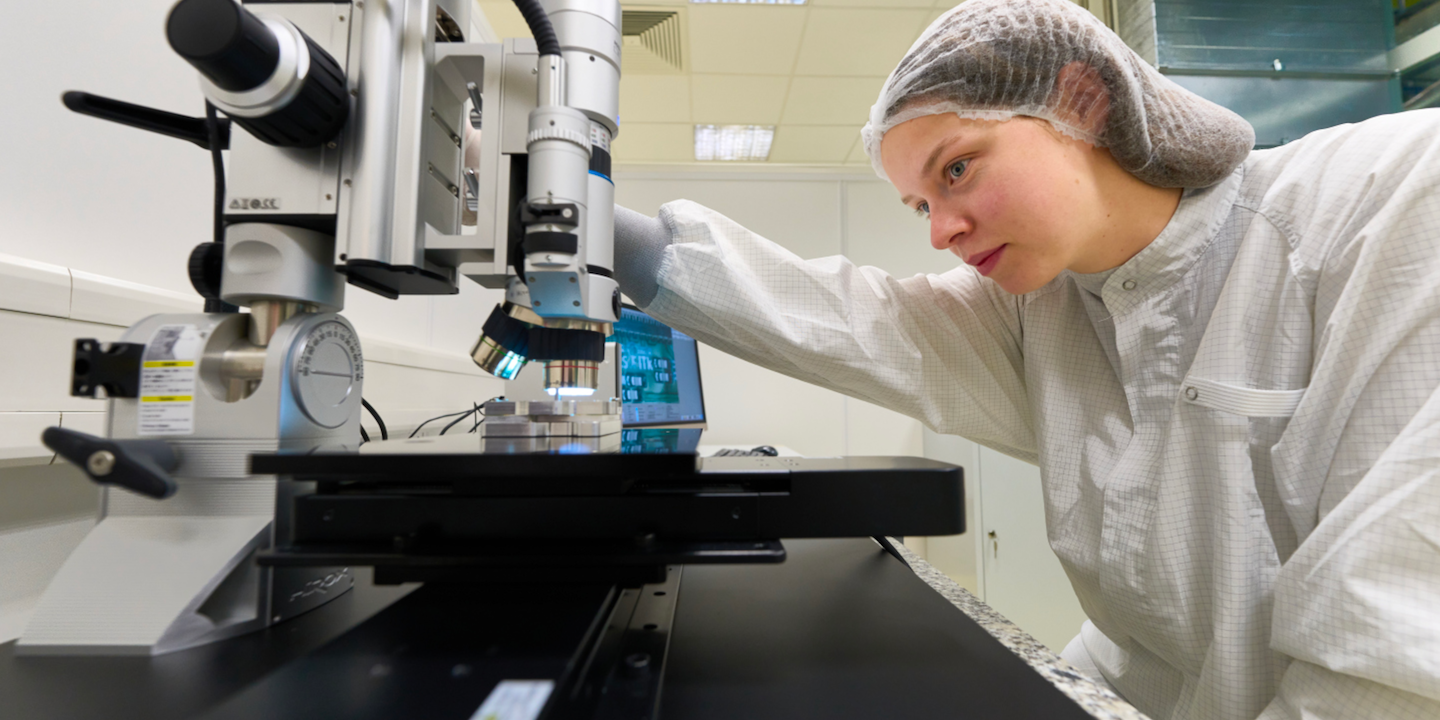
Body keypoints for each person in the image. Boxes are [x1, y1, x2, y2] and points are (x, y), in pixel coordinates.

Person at [609, 0, 1440, 718]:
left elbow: (1393, 653)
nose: (939, 229)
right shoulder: (1043, 309)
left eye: (958, 169)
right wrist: (619, 242)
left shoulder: (1388, 200)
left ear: (1080, 97)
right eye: (922, 204)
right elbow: (845, 318)